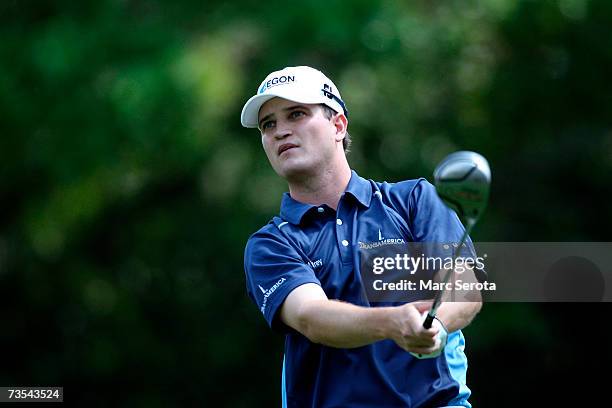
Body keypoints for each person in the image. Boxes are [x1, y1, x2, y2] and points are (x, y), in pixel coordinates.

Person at [241, 66, 482, 408]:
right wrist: (393, 323)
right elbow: (312, 316)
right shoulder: (271, 244)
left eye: (296, 114)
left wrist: (437, 326)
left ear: (338, 125)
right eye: (269, 124)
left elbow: (465, 286)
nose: (280, 131)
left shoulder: (414, 200)